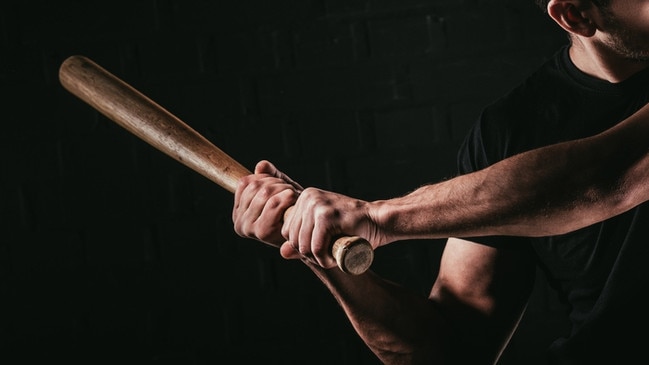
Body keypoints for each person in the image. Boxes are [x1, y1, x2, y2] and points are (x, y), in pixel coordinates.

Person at [232, 1, 649, 364]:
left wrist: (376, 217)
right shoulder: (510, 130)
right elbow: (447, 350)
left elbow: (605, 179)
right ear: (576, 15)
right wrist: (315, 238)